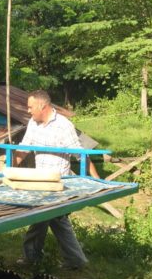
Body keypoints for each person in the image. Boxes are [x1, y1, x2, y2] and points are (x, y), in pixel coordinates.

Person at [15, 89, 99, 269]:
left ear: (42, 106)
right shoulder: (33, 123)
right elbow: (24, 147)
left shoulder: (63, 125)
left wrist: (98, 181)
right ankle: (60, 258)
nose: (28, 111)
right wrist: (7, 169)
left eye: (30, 107)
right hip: (41, 180)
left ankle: (69, 259)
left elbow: (79, 154)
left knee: (51, 217)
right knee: (45, 218)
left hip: (59, 183)